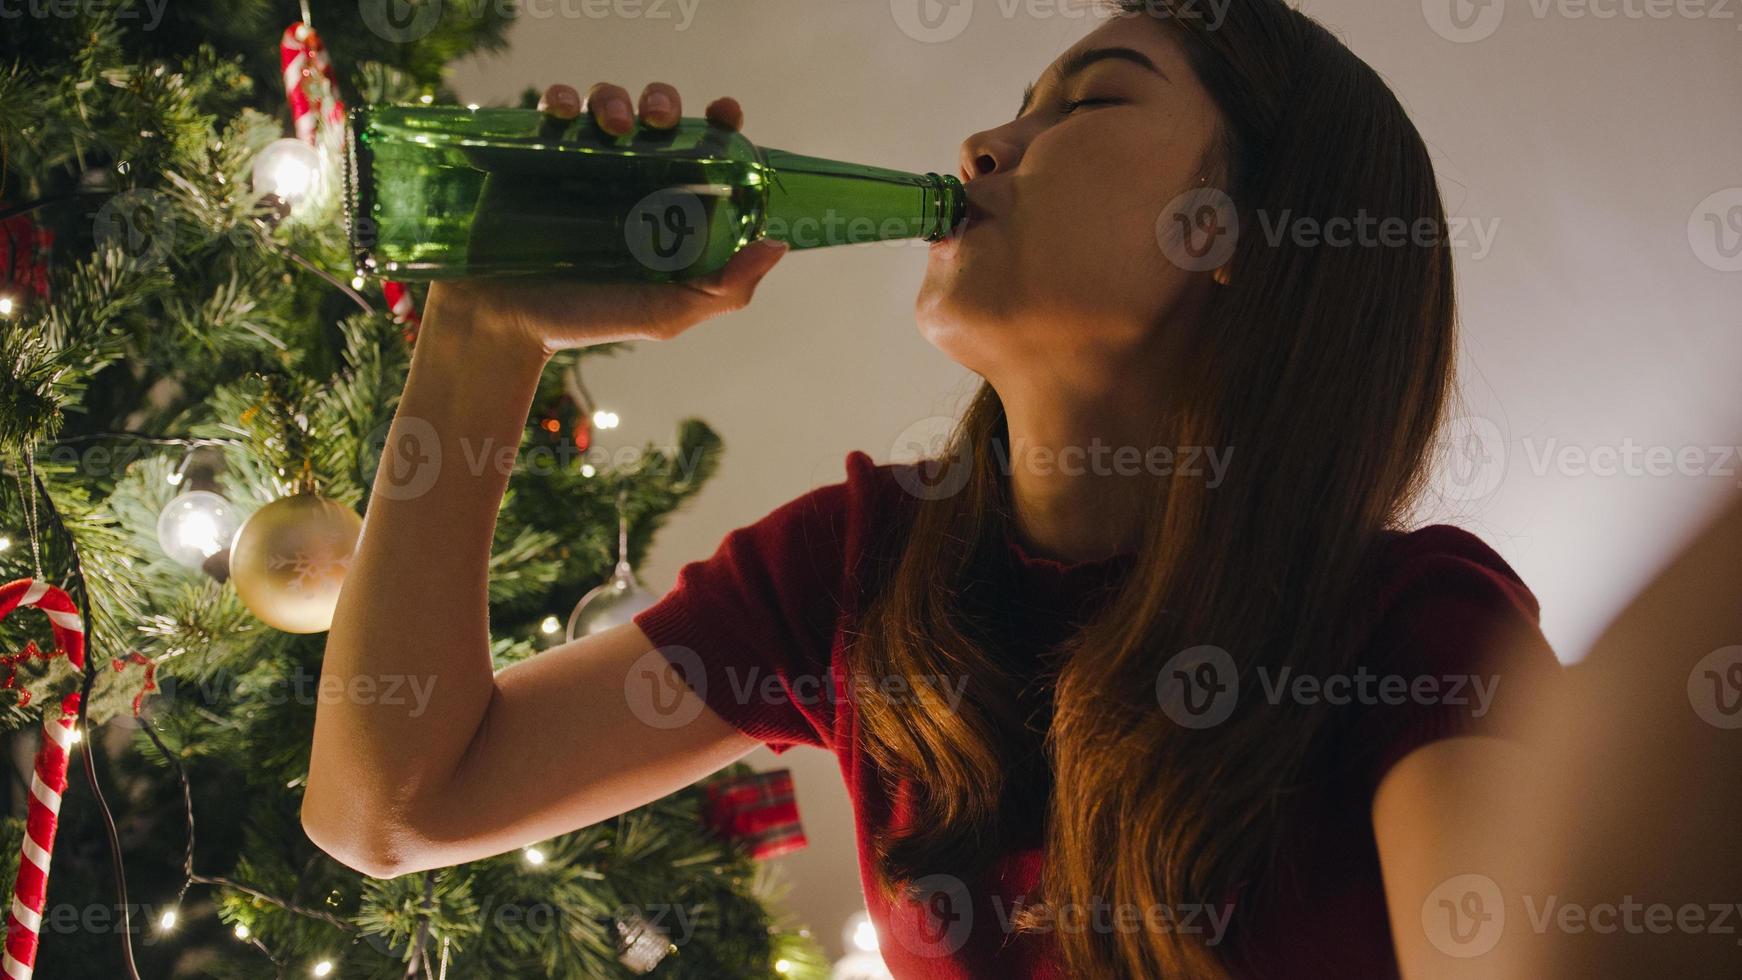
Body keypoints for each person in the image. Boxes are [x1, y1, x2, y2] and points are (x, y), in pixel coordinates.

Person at [304, 2, 1566, 977]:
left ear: (1230, 231)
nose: (980, 145)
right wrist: (485, 331)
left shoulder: (1411, 634)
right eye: (1018, 104)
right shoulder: (865, 572)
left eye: (1086, 104)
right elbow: (391, 804)